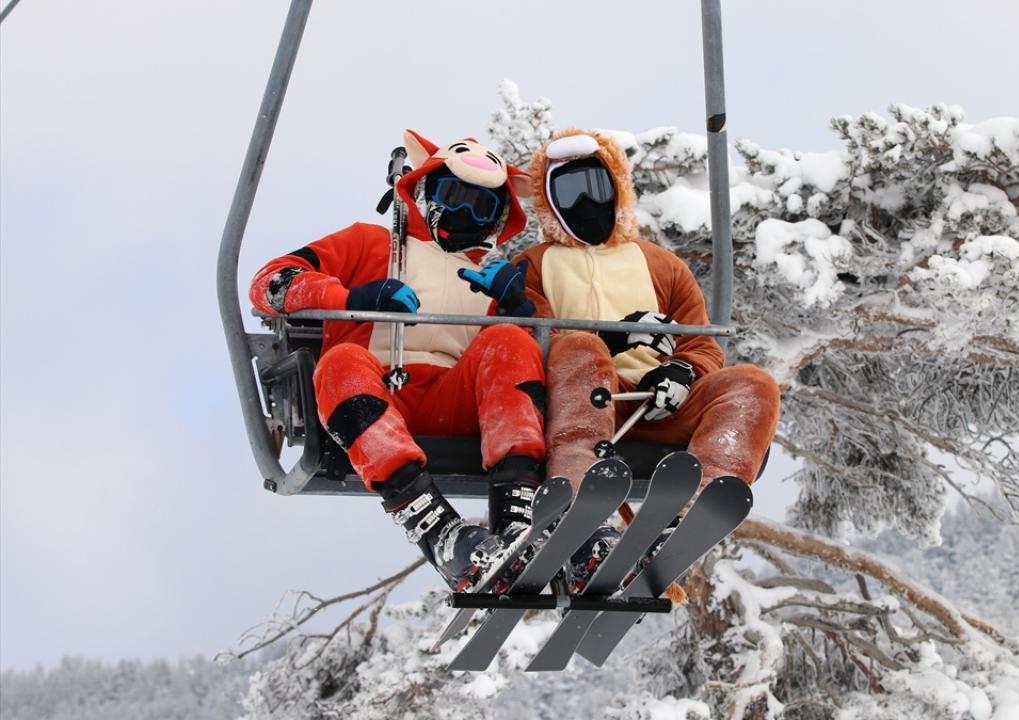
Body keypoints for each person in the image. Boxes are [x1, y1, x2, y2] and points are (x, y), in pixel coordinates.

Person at [249, 131, 547, 591]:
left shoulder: (492, 275)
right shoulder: (369, 244)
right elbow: (270, 283)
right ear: (426, 190)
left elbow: (528, 367)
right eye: (455, 196)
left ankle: (517, 517)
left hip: (455, 404)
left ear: (498, 219)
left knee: (509, 340)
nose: (466, 215)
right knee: (341, 361)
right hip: (381, 398)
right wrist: (349, 299)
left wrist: (516, 309)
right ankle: (436, 527)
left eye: (483, 207)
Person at [512, 128, 781, 589]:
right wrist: (608, 341)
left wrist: (681, 371)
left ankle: (694, 513)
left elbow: (700, 343)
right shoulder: (533, 266)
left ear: (616, 188)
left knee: (753, 384)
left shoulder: (661, 266)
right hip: (580, 407)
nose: (585, 204)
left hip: (657, 406)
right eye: (569, 193)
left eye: (595, 188)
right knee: (580, 349)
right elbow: (525, 339)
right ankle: (578, 513)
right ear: (549, 202)